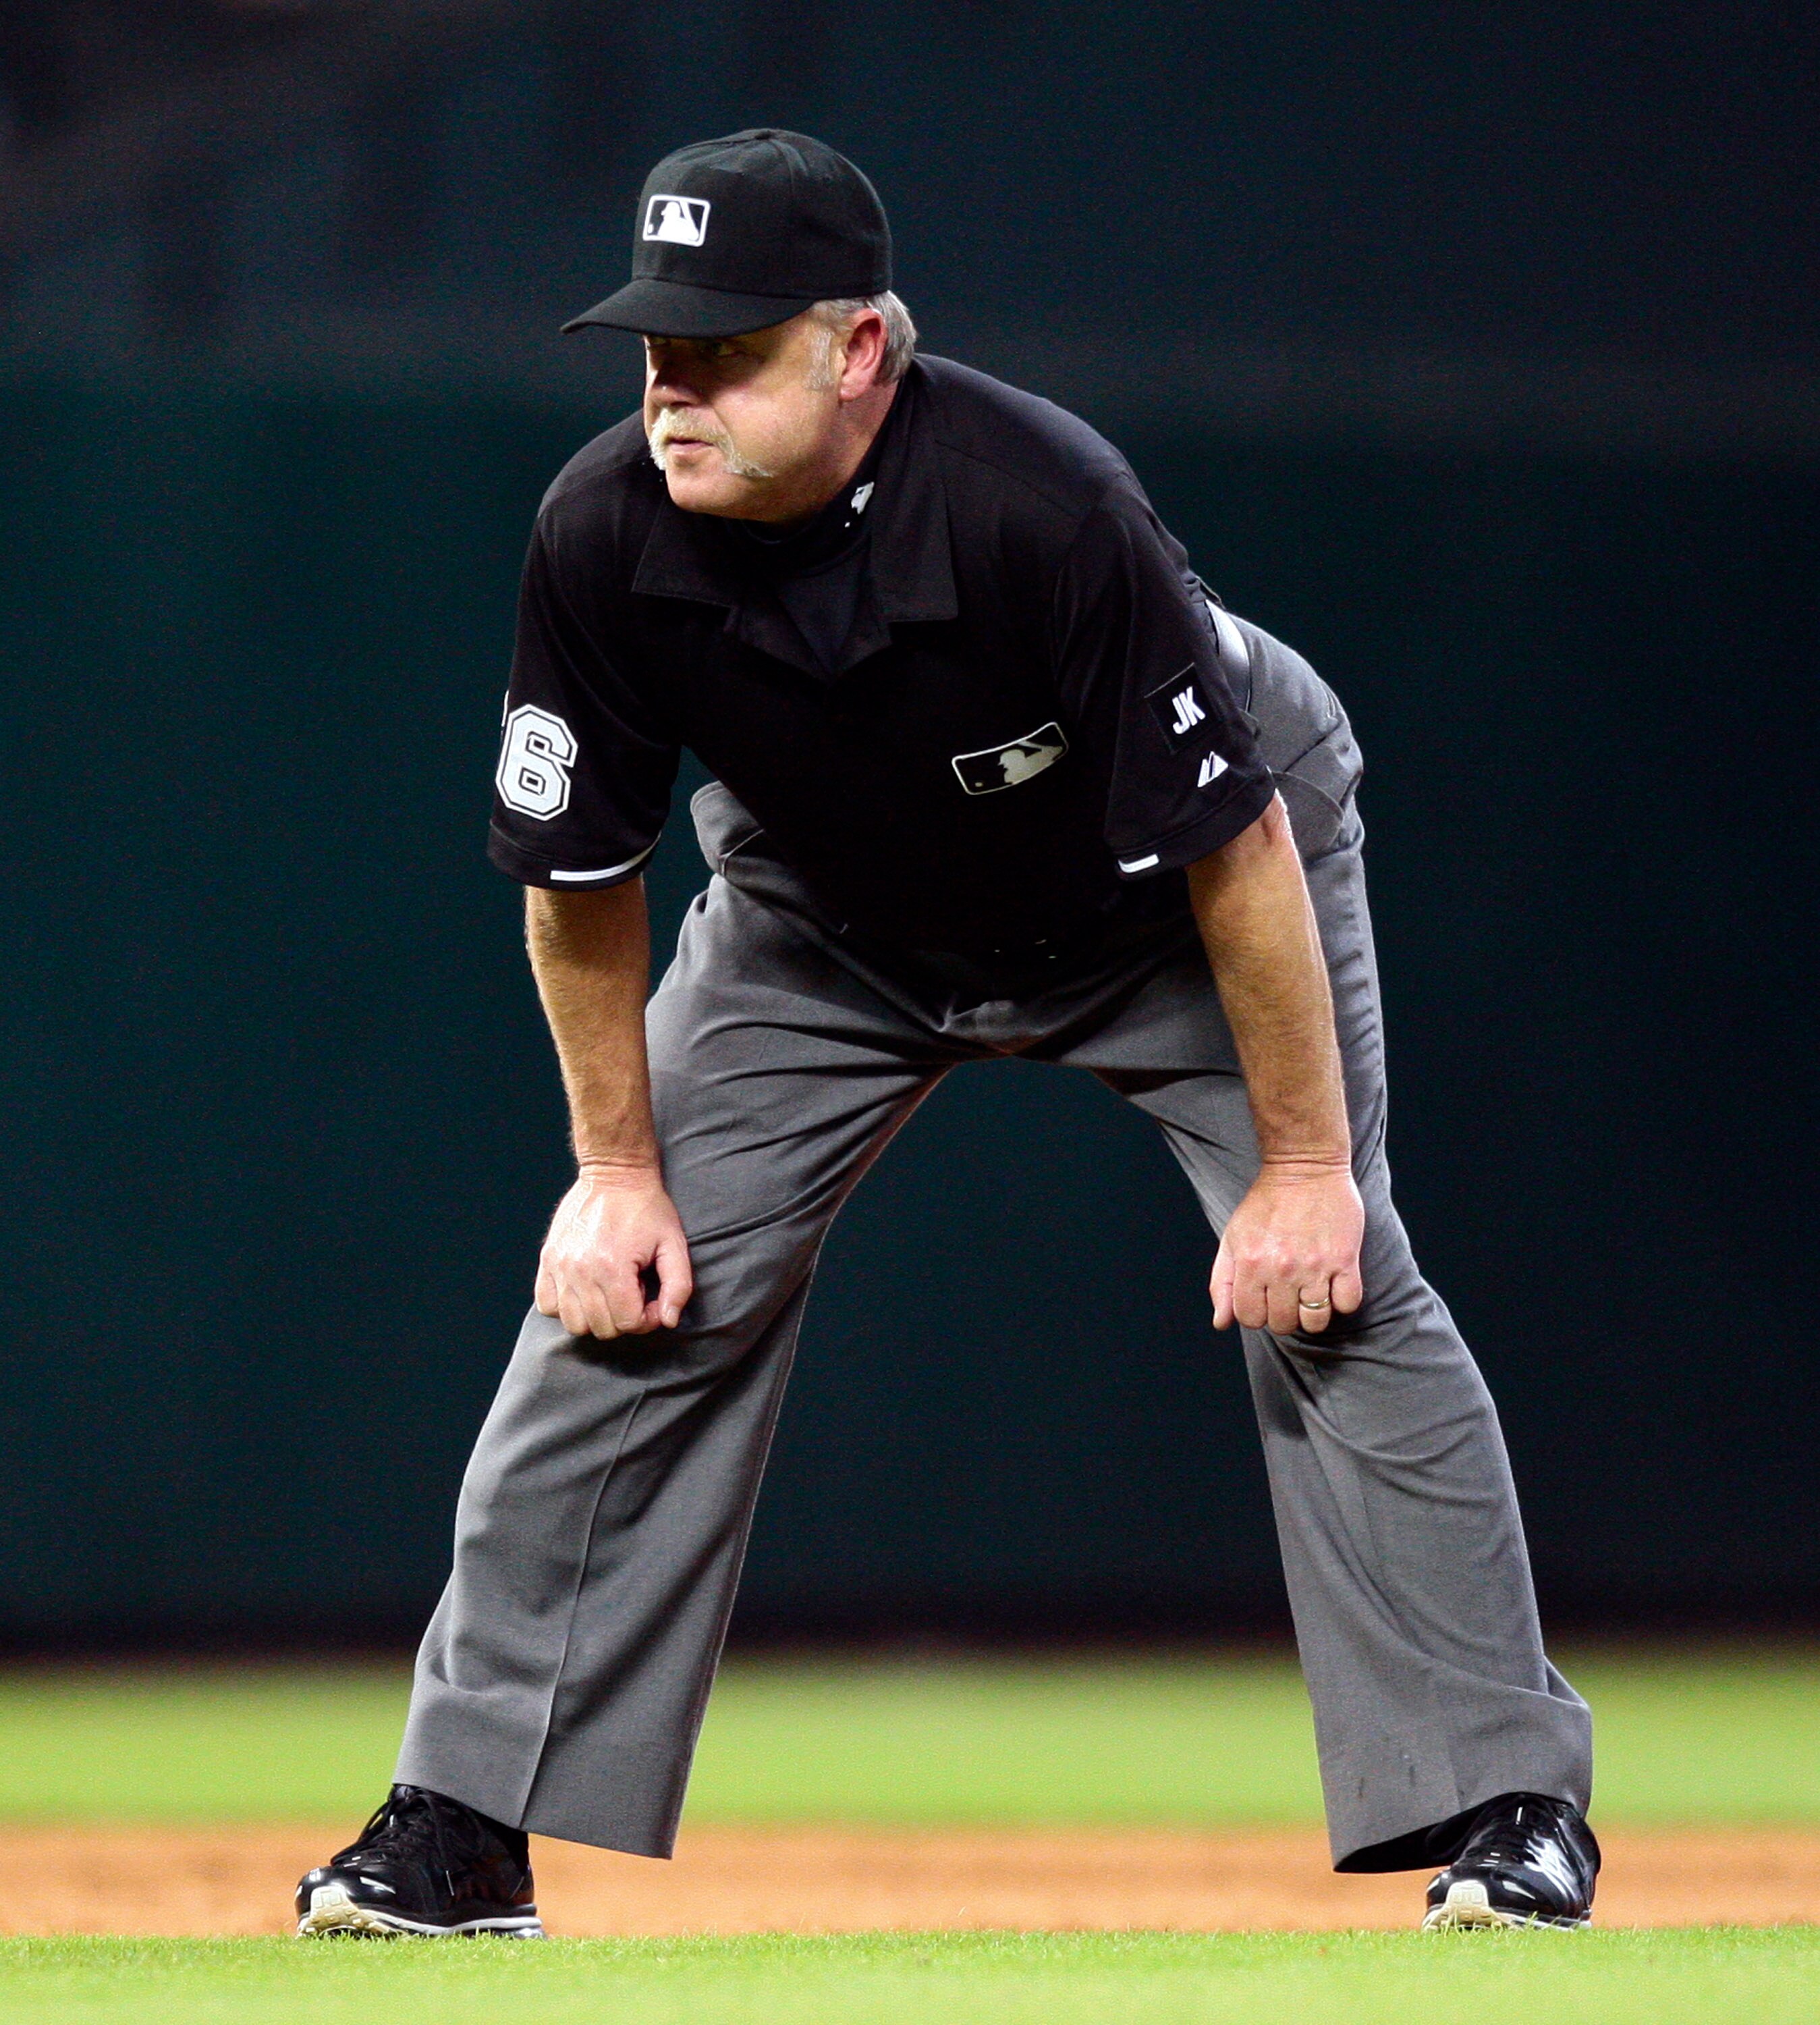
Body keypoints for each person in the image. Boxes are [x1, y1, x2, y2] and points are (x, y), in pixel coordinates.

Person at [296, 129, 1598, 1939]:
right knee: (629, 1285)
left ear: (862, 352)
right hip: (824, 927)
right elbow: (577, 873)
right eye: (659, 344)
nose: (676, 383)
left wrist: (1303, 1172)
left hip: (1170, 902)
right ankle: (460, 1825)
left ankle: (1507, 1809)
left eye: (729, 344)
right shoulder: (601, 529)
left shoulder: (1039, 503)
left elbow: (1234, 844)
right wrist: (612, 1171)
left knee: (1333, 1282)